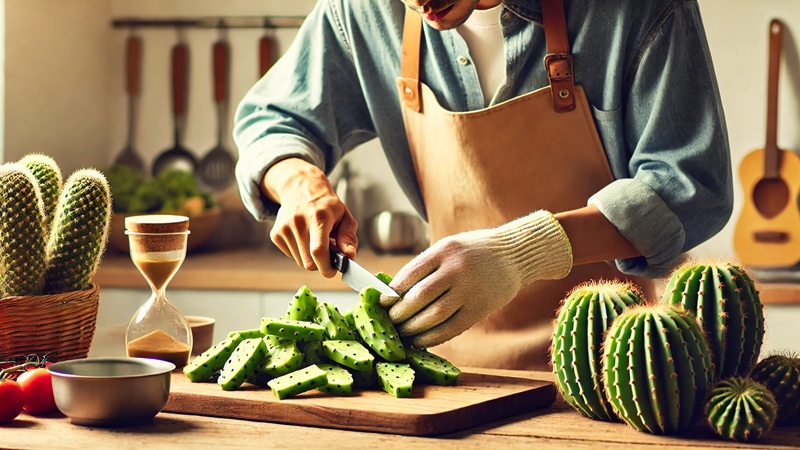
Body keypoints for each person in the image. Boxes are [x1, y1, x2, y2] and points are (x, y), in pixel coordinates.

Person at [233, 0, 732, 370]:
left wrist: (522, 252)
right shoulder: (365, 10)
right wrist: (300, 182)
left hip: (624, 363)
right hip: (456, 373)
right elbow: (274, 118)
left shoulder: (635, 9)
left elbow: (690, 184)